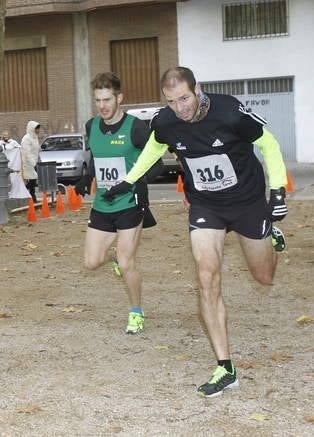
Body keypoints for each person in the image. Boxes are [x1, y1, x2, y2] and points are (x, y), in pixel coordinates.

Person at [103, 66, 288, 398]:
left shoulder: (229, 111)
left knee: (264, 276)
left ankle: (270, 235)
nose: (181, 108)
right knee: (206, 276)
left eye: (185, 98)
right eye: (173, 101)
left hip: (247, 202)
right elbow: (156, 147)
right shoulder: (165, 120)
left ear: (197, 89)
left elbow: (269, 144)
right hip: (206, 206)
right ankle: (225, 366)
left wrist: (277, 191)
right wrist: (130, 179)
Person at [74, 72, 163, 334]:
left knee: (127, 264)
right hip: (102, 204)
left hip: (130, 203)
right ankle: (117, 256)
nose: (102, 105)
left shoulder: (136, 128)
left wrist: (131, 182)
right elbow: (96, 158)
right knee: (91, 262)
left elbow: (156, 164)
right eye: (98, 100)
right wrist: (85, 179)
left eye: (107, 99)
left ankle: (136, 312)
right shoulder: (91, 126)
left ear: (119, 98)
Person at [20, 121, 41, 202]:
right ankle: (29, 195)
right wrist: (32, 162)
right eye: (36, 129)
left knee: (33, 180)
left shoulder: (35, 138)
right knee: (32, 179)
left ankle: (30, 195)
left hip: (33, 162)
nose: (38, 130)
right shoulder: (26, 139)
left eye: (38, 129)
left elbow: (35, 150)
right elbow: (27, 152)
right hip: (28, 163)